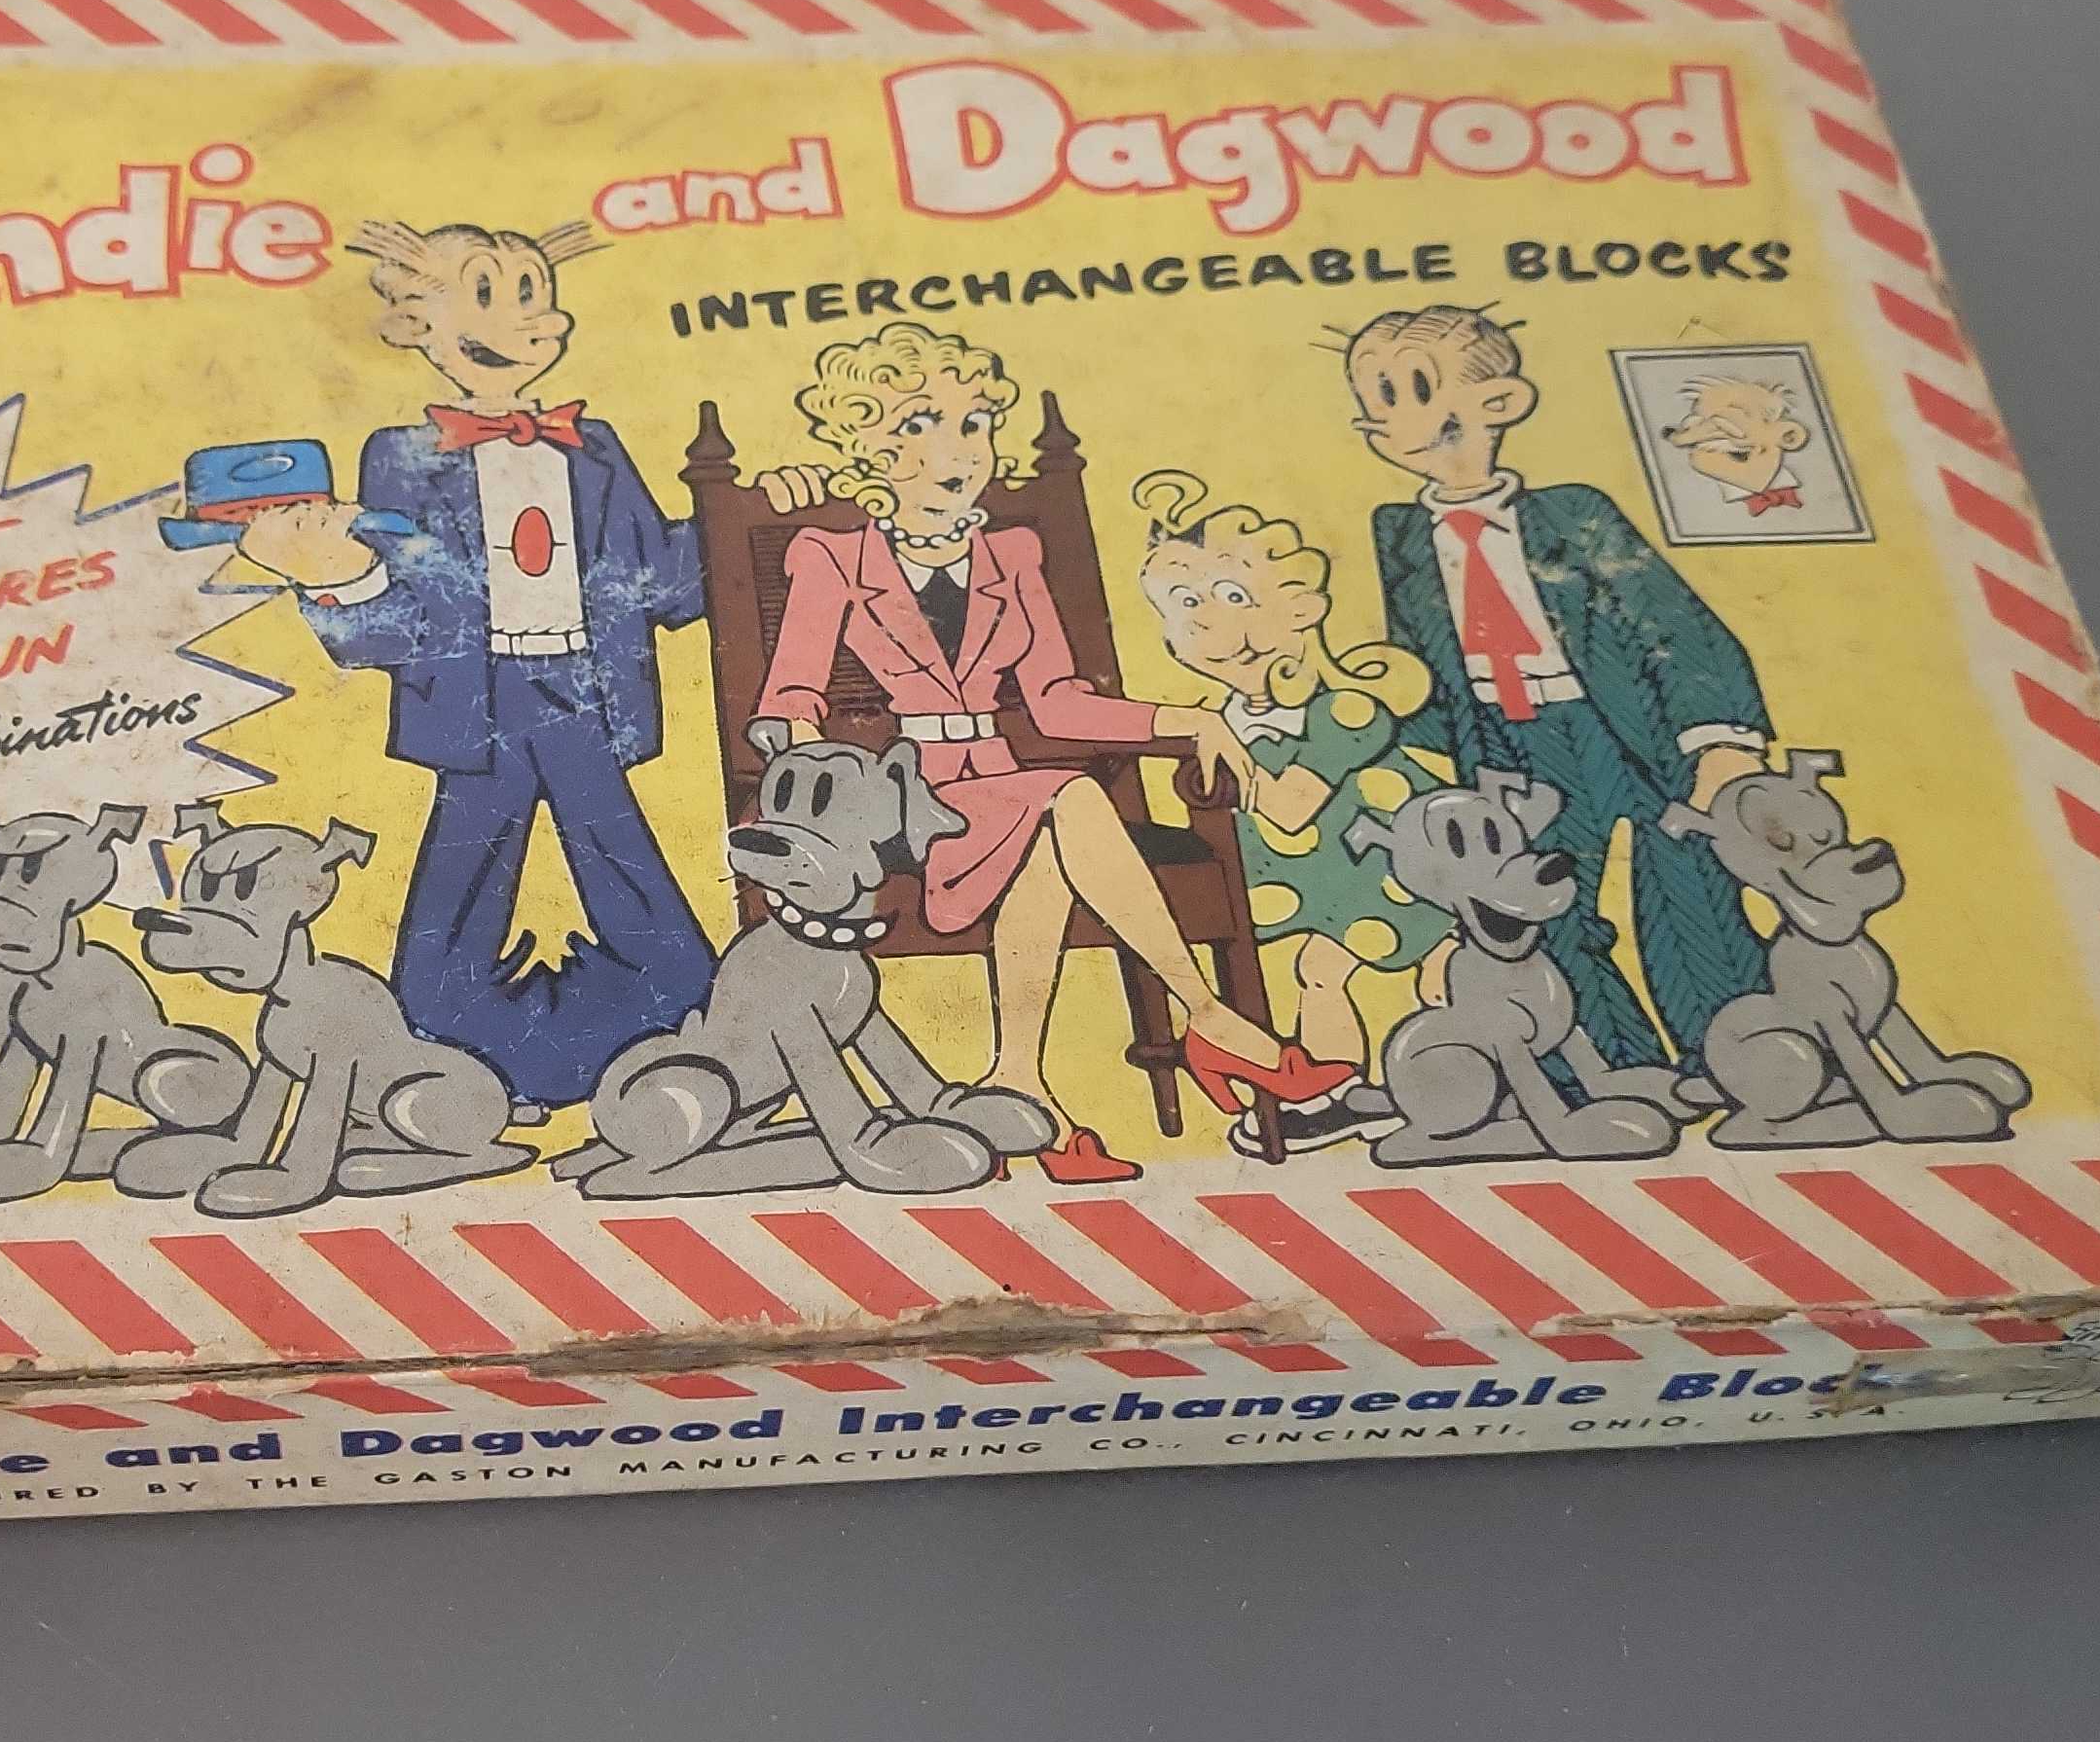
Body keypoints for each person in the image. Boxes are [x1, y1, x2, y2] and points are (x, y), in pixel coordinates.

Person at [752, 322, 1356, 1183]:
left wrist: (1185, 719)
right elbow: (791, 694)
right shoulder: (833, 556)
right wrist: (819, 778)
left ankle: (1021, 1083)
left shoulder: (1012, 554)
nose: (960, 447)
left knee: (1048, 835)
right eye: (922, 424)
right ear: (873, 447)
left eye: (974, 423)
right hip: (901, 805)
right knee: (1067, 798)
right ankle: (1210, 1017)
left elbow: (1059, 701)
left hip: (1003, 789)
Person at [220, 219, 789, 1110]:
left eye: (534, 295)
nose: (530, 320)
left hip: (586, 692)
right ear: (417, 326)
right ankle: (436, 1058)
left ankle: (688, 1040)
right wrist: (332, 578)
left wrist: (751, 521)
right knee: (463, 877)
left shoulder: (596, 449)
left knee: (623, 862)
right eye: (488, 294)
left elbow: (666, 583)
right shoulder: (399, 458)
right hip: (476, 698)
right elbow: (398, 628)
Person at [1342, 304, 1776, 1074]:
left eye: (1416, 390)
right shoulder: (1397, 535)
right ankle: (1614, 1074)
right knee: (1539, 908)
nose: (1391, 419)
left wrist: (1720, 740)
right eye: (1378, 399)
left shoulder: (1572, 511)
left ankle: (1743, 1060)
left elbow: (1673, 623)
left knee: (1686, 889)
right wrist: (1378, 715)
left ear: (1501, 403)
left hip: (1615, 728)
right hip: (1505, 744)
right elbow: (1419, 671)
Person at [1128, 472, 1453, 1151]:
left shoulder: (1344, 710)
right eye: (1185, 604)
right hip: (1326, 888)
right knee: (1320, 972)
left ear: (1299, 609)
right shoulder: (1220, 721)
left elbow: (1291, 809)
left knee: (1434, 978)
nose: (1209, 620)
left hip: (1399, 873)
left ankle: (1459, 1086)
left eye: (1233, 595)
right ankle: (1340, 1093)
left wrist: (1220, 754)